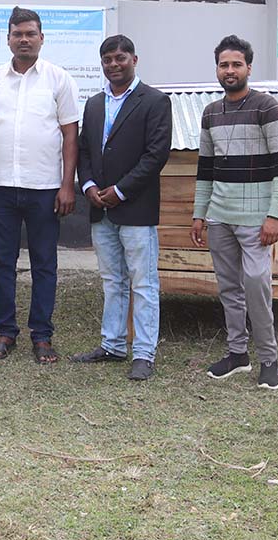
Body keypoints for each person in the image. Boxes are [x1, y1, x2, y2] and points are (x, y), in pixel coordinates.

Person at [0, 6, 79, 364]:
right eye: (17, 34)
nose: (24, 40)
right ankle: (5, 331)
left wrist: (68, 185)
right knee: (2, 261)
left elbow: (70, 134)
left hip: (45, 187)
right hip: (0, 185)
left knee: (44, 263)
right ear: (8, 39)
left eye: (30, 33)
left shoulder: (58, 78)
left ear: (41, 38)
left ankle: (42, 335)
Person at [190, 35, 278, 390]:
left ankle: (269, 358)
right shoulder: (210, 113)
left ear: (249, 67)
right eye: (223, 65)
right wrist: (199, 214)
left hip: (256, 221)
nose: (229, 70)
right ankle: (237, 354)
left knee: (256, 285)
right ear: (217, 69)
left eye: (236, 64)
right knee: (229, 288)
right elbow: (206, 169)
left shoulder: (267, 107)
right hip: (219, 216)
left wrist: (275, 215)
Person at [71, 35, 172, 381]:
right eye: (107, 59)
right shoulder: (95, 104)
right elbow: (84, 151)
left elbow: (155, 155)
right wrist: (88, 187)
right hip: (100, 208)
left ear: (134, 59)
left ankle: (143, 352)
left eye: (120, 58)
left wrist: (121, 190)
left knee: (143, 283)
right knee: (112, 281)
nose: (114, 64)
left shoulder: (155, 101)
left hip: (136, 209)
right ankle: (112, 344)